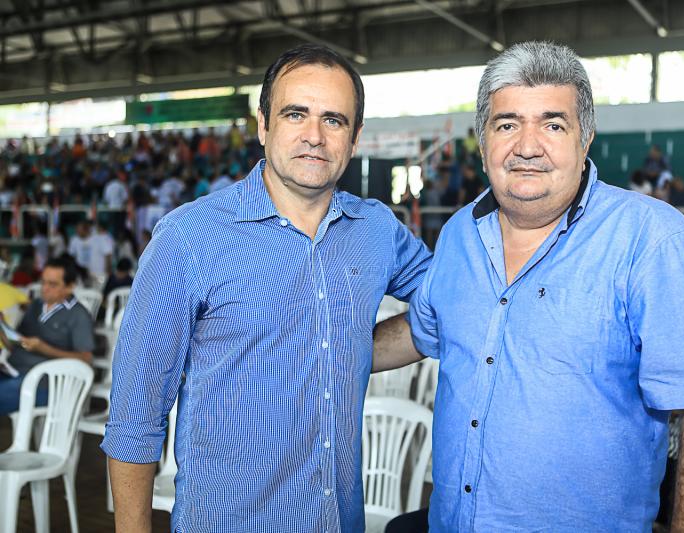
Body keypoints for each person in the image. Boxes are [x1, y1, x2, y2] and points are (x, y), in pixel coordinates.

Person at [389, 41, 684, 532]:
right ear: (483, 141)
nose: (527, 146)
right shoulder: (458, 234)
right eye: (507, 124)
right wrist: (328, 347)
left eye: (553, 125)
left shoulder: (651, 240)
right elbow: (422, 329)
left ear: (586, 138)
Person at [101, 44, 431, 533]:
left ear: (355, 137)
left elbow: (448, 302)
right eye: (295, 114)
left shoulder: (376, 229)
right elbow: (135, 418)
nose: (314, 135)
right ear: (263, 125)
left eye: (334, 120)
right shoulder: (188, 238)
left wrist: (356, 348)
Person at [0, 256, 94, 415]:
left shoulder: (78, 315)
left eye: (53, 284)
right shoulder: (36, 305)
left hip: (44, 382)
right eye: (43, 282)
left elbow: (86, 358)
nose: (44, 288)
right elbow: (16, 345)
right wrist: (3, 329)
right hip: (12, 370)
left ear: (70, 287)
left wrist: (44, 349)